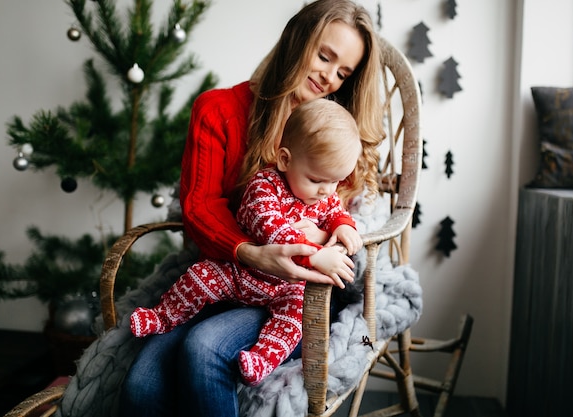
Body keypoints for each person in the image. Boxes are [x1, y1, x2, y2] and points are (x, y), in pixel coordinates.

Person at [120, 0, 384, 415]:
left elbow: (336, 215)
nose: (329, 77)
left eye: (343, 72)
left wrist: (320, 238)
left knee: (204, 349)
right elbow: (199, 207)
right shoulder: (217, 110)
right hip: (227, 272)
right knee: (141, 386)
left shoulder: (334, 132)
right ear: (296, 41)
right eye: (324, 56)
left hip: (293, 291)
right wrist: (253, 251)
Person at [130, 99, 364, 386]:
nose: (326, 191)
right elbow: (273, 231)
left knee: (294, 319)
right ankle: (163, 316)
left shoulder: (323, 193)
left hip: (284, 287)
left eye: (336, 182)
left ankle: (262, 359)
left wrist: (343, 226)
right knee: (198, 277)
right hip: (240, 273)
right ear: (285, 160)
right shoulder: (264, 187)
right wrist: (315, 255)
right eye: (317, 179)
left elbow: (335, 210)